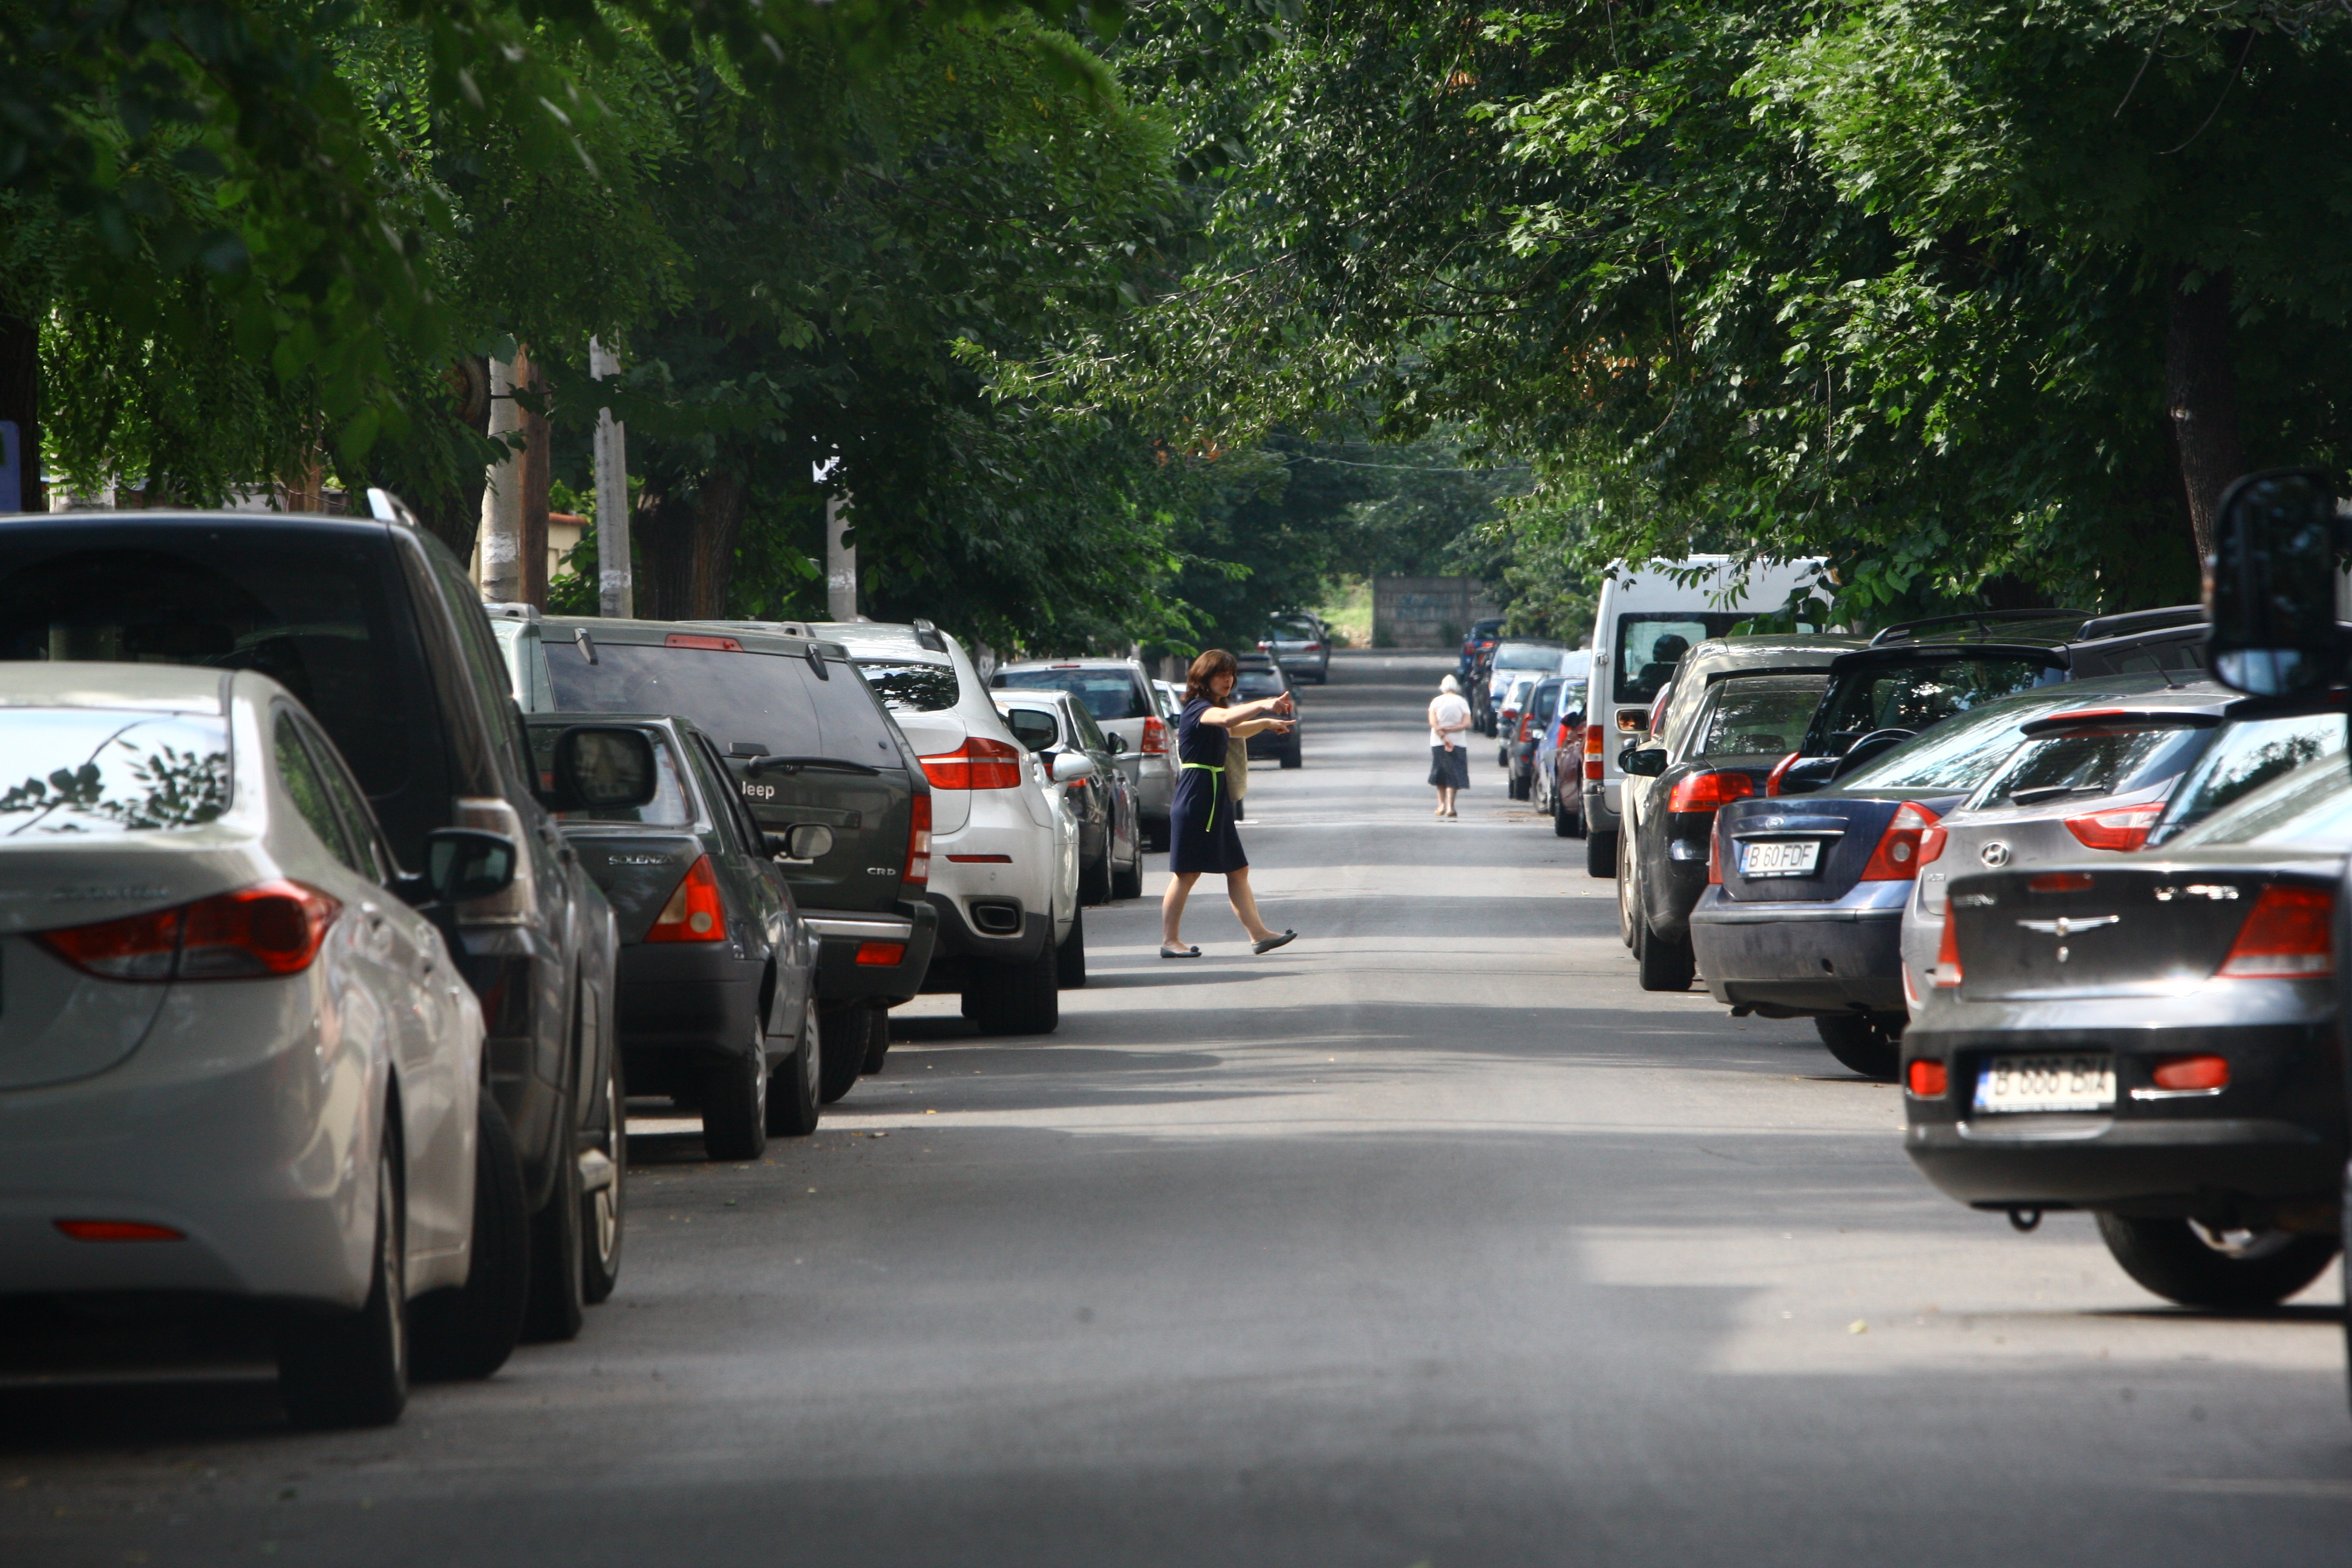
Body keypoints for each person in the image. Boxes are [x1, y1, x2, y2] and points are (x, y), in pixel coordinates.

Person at [1161, 648, 1298, 958]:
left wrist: (1266, 722)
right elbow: (1226, 719)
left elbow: (1233, 729)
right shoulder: (1198, 708)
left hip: (1213, 797)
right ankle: (1170, 941)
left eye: (1231, 675)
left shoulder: (1211, 710)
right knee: (1186, 873)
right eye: (1222, 675)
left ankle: (1259, 935)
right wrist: (1263, 704)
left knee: (1237, 870)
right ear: (1204, 678)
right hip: (1196, 797)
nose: (1229, 680)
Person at [1428, 673, 1472, 817]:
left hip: (1438, 742)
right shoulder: (1462, 702)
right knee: (1454, 774)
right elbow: (1467, 724)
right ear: (1456, 687)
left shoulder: (1436, 702)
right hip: (1458, 743)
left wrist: (1443, 735)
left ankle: (1441, 805)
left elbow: (1433, 723)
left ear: (1442, 687)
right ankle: (1450, 807)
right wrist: (1452, 729)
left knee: (1441, 773)